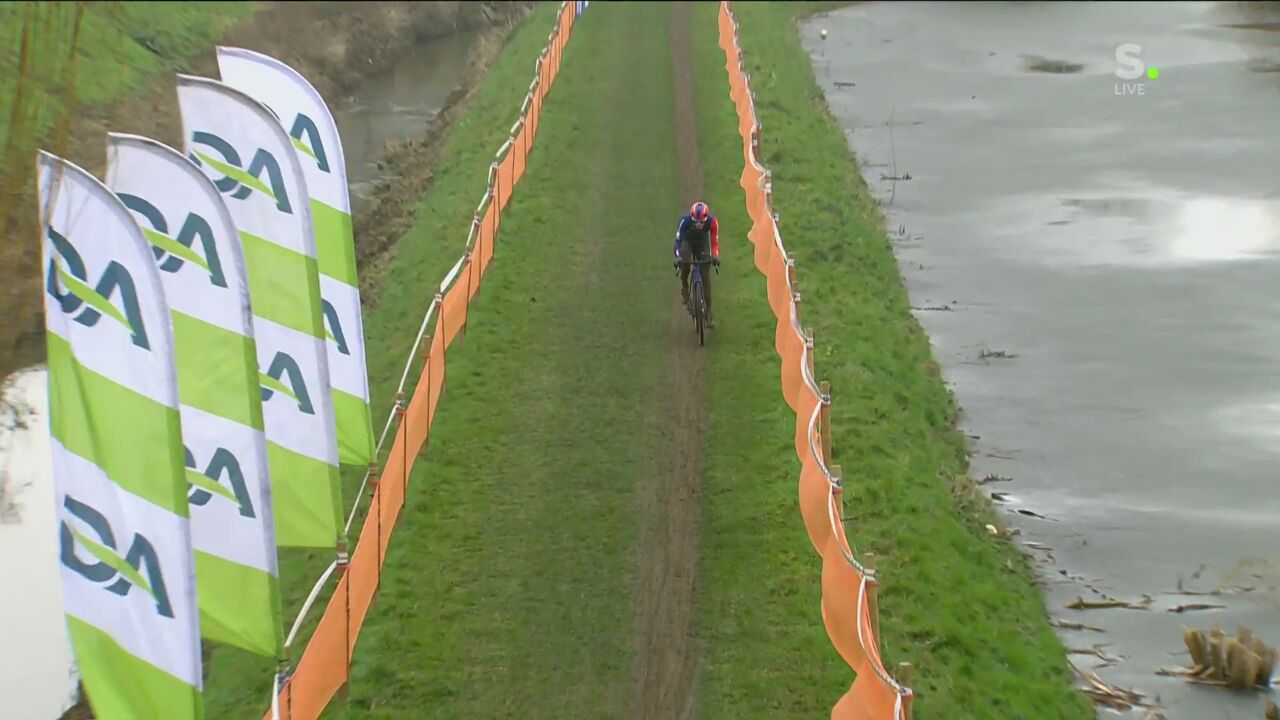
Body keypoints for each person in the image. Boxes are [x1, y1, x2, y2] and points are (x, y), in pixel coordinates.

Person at [673, 200, 720, 327]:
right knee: (685, 262)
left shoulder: (712, 222)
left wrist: (715, 256)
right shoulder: (685, 221)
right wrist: (678, 257)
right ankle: (684, 285)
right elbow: (678, 242)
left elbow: (714, 242)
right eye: (696, 221)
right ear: (692, 218)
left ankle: (709, 312)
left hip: (702, 244)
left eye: (701, 222)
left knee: (706, 277)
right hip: (688, 242)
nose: (699, 224)